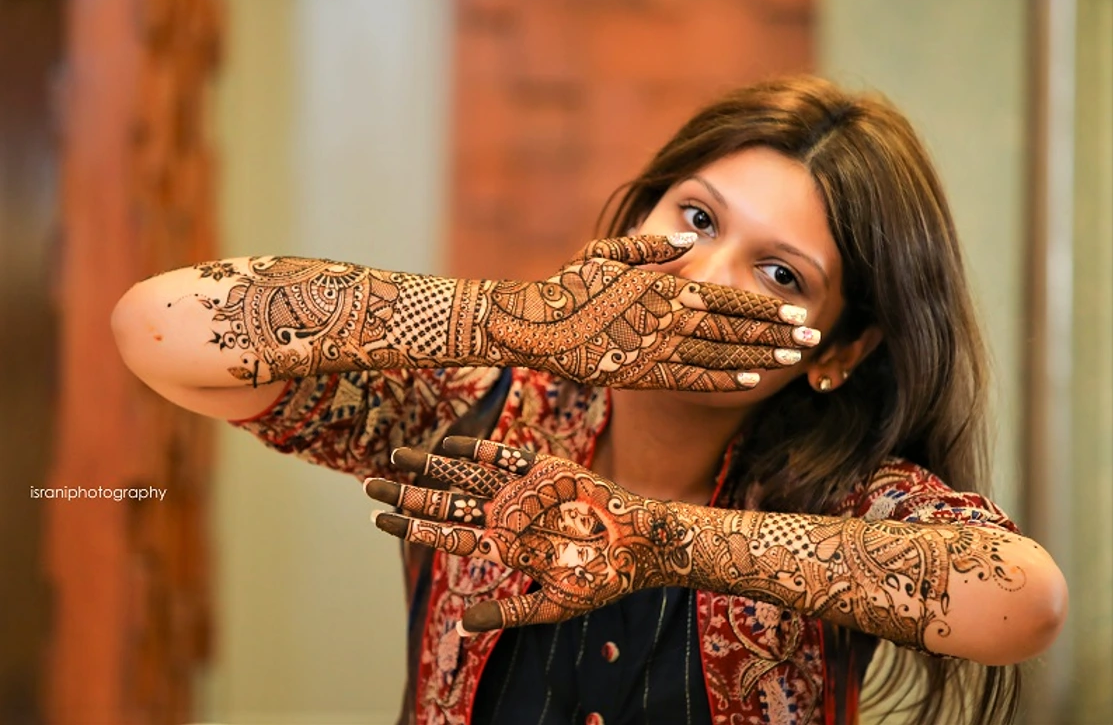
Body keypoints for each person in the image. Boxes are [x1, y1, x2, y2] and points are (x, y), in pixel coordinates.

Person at [112, 75, 1067, 725]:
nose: (703, 277)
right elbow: (160, 328)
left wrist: (656, 540)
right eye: (693, 217)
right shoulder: (475, 411)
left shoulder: (843, 497)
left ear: (840, 348)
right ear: (640, 211)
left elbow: (1021, 602)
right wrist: (508, 317)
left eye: (778, 272)